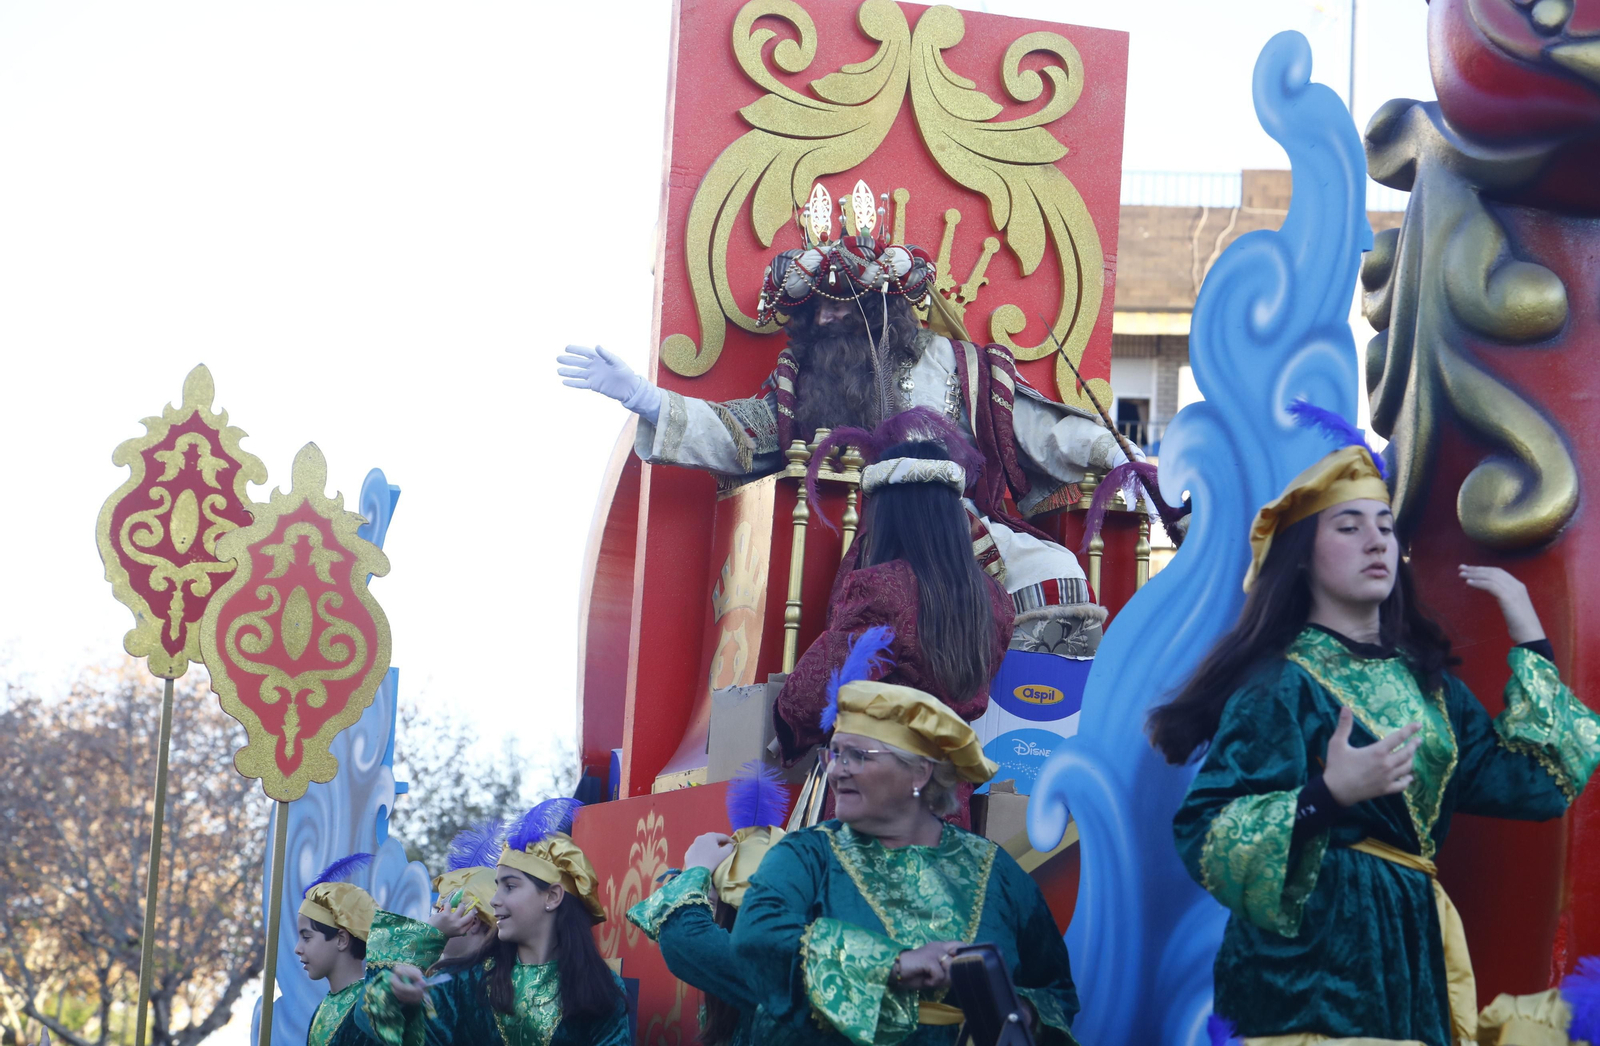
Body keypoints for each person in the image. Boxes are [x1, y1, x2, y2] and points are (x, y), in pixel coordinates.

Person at [1148, 421, 1600, 1046]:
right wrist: (1326, 795)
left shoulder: (1430, 689)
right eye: (1349, 526)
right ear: (1302, 552)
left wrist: (1528, 630)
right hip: (1309, 970)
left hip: (1411, 948)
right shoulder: (1281, 684)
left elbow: (1538, 784)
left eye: (1385, 527)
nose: (1376, 542)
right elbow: (1207, 831)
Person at [556, 179, 1132, 653]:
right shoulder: (802, 388)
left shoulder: (955, 363)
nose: (830, 318)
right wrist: (647, 400)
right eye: (819, 308)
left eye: (843, 302)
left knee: (1056, 571)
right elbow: (739, 434)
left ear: (883, 303)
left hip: (963, 533)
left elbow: (1040, 429)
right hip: (864, 547)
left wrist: (1118, 455)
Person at [732, 631, 1081, 1045]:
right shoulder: (808, 856)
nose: (838, 770)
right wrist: (894, 964)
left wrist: (1018, 1010)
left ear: (919, 773)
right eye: (835, 753)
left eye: (858, 756)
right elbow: (757, 936)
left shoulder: (995, 871)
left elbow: (1055, 989)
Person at [774, 410, 1015, 826]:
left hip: (880, 796)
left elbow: (822, 691)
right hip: (948, 803)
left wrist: (785, 722)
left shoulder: (882, 588)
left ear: (889, 515)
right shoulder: (993, 598)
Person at [356, 799, 631, 1046]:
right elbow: (382, 1029)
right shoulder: (466, 983)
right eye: (497, 887)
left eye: (510, 887)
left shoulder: (600, 987)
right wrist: (395, 994)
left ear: (553, 896)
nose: (495, 900)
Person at [626, 760, 796, 1046]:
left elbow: (682, 936)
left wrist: (697, 870)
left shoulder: (775, 967)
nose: (703, 910)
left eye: (707, 902)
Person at [295, 853, 376, 1046]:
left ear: (341, 939)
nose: (298, 949)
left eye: (307, 937)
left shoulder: (369, 1007)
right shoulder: (323, 1008)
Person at [430, 820, 503, 962]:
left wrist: (428, 936)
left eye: (443, 910)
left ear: (473, 921)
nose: (435, 919)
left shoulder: (468, 979)